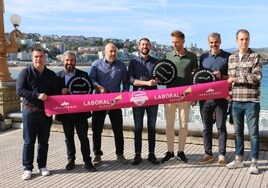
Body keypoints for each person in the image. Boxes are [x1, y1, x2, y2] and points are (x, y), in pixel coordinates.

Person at [16, 47, 60, 180]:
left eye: (41, 56)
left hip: (45, 113)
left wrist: (62, 92)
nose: (38, 59)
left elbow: (55, 93)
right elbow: (20, 91)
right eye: (36, 57)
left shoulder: (51, 75)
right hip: (29, 112)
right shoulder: (25, 72)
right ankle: (27, 168)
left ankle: (42, 166)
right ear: (32, 58)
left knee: (44, 141)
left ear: (45, 58)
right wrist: (37, 95)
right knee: (29, 142)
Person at [226, 29, 262, 175]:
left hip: (251, 101)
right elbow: (229, 80)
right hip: (235, 102)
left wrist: (236, 79)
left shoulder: (255, 56)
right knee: (237, 132)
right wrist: (228, 93)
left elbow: (257, 77)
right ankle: (239, 159)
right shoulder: (231, 58)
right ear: (236, 41)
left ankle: (254, 162)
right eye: (241, 39)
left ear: (249, 40)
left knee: (253, 133)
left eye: (246, 39)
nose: (244, 41)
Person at [89, 42, 130, 166]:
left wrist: (124, 94)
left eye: (115, 51)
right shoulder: (96, 64)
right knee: (97, 130)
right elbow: (91, 80)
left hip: (115, 102)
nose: (113, 53)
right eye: (110, 51)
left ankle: (120, 154)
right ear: (105, 52)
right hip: (99, 102)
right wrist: (99, 87)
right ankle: (97, 155)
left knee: (118, 130)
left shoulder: (122, 66)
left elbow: (126, 81)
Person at [55, 51, 96, 172]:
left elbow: (89, 90)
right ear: (63, 61)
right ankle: (71, 160)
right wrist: (59, 91)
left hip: (81, 113)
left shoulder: (83, 74)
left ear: (75, 61)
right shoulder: (57, 77)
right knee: (69, 138)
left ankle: (87, 161)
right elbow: (52, 93)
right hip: (65, 112)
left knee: (83, 137)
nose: (69, 62)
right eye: (67, 60)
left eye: (71, 60)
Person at [161, 30, 198, 163]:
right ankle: (170, 151)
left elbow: (195, 78)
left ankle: (181, 151)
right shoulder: (167, 55)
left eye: (176, 42)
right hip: (169, 95)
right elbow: (163, 74)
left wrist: (195, 96)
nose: (174, 44)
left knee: (183, 125)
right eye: (172, 42)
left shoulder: (192, 56)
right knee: (169, 125)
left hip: (186, 96)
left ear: (183, 41)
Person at [197, 33, 230, 165]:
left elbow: (231, 77)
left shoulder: (228, 57)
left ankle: (221, 154)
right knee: (206, 128)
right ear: (208, 43)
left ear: (220, 42)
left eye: (216, 42)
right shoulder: (203, 57)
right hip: (204, 98)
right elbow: (199, 79)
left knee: (221, 127)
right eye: (211, 42)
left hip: (221, 97)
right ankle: (208, 154)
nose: (213, 44)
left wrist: (222, 76)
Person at [128, 38, 160, 165]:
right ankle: (137, 154)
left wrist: (157, 80)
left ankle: (151, 154)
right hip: (138, 98)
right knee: (138, 127)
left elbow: (160, 78)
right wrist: (147, 82)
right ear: (138, 46)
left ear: (150, 46)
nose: (145, 46)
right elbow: (131, 80)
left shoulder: (156, 62)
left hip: (153, 98)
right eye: (143, 44)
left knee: (152, 127)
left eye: (147, 44)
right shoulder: (133, 62)